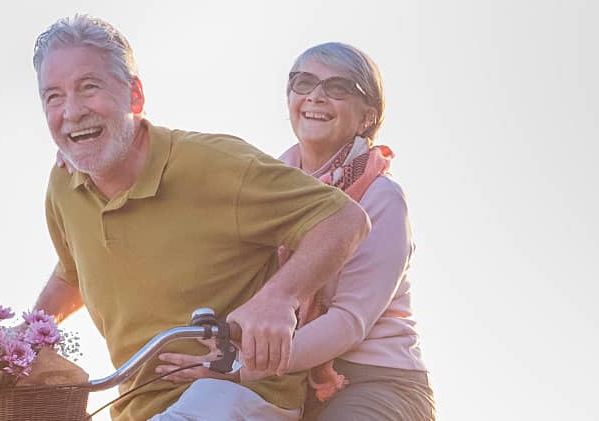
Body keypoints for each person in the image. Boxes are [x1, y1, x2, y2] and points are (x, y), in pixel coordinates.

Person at [28, 16, 370, 421]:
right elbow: (72, 274)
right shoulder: (64, 188)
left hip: (238, 394)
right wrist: (22, 343)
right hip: (138, 407)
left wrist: (279, 298)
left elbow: (343, 219)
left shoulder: (215, 165)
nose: (72, 111)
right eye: (54, 96)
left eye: (89, 87)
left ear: (134, 96)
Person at [156, 42, 435, 420]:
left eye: (338, 88)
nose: (316, 96)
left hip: (373, 381)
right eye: (303, 83)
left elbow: (348, 322)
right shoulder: (272, 182)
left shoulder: (381, 196)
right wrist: (88, 158)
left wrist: (239, 371)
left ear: (367, 116)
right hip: (287, 382)